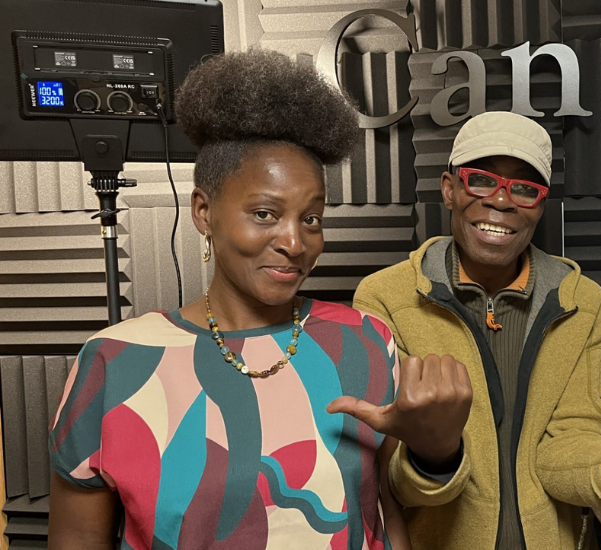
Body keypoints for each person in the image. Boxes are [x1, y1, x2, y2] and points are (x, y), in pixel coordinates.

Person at [47, 49, 470, 550]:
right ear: (203, 211)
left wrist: (437, 447)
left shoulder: (363, 340)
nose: (295, 242)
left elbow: (383, 517)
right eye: (266, 214)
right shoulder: (114, 362)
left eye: (311, 218)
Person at [337, 111, 601, 550]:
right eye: (481, 180)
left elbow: (566, 450)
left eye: (525, 189)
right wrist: (433, 451)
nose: (501, 201)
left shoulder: (581, 303)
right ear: (449, 189)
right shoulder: (386, 298)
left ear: (541, 204)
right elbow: (393, 489)